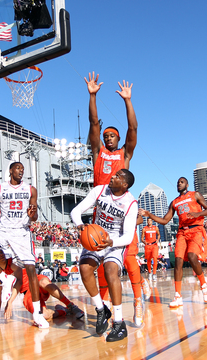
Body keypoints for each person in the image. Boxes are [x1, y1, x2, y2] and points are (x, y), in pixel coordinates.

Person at [84, 72, 148, 324]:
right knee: (100, 266)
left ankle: (137, 302)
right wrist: (92, 96)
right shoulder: (97, 152)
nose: (108, 136)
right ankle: (106, 307)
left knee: (130, 262)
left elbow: (133, 128)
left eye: (112, 135)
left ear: (119, 139)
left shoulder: (125, 155)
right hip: (101, 217)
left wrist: (127, 101)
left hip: (121, 215)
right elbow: (92, 125)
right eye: (106, 134)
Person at [0, 162, 49, 328]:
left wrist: (33, 214)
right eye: (18, 168)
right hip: (3, 230)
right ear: (10, 171)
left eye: (23, 169)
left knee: (31, 270)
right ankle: (4, 278)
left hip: (21, 232)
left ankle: (37, 314)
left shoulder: (30, 190)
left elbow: (34, 216)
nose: (21, 171)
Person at [71, 169, 138, 342]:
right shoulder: (100, 190)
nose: (112, 176)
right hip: (97, 235)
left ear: (124, 185)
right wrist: (80, 226)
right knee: (85, 268)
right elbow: (76, 211)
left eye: (118, 177)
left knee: (110, 271)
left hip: (116, 241)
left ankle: (118, 323)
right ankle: (101, 309)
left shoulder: (131, 203)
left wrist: (111, 243)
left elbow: (129, 236)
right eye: (113, 174)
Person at [139, 177, 207, 307]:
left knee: (191, 256)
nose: (179, 183)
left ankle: (204, 285)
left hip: (195, 230)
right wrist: (149, 214)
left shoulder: (195, 195)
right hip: (182, 232)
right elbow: (164, 220)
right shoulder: (174, 202)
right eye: (178, 182)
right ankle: (178, 295)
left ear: (187, 184)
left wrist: (197, 214)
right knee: (178, 260)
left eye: (182, 182)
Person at [0, 249, 84, 322]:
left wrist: (10, 302)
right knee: (44, 316)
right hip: (28, 292)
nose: (1, 255)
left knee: (44, 283)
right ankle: (63, 311)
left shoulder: (12, 262)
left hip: (36, 280)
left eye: (1, 252)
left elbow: (19, 281)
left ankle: (70, 305)